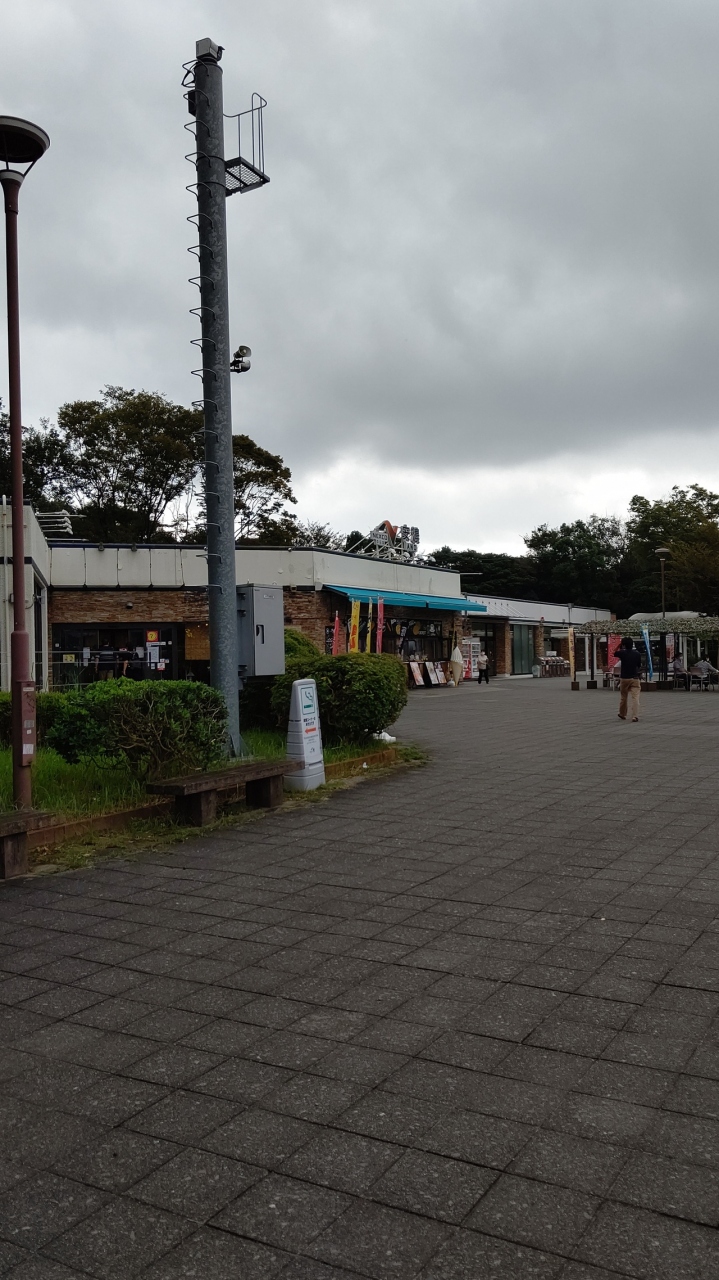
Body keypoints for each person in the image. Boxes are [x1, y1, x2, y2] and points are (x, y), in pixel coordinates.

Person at [617, 636, 642, 721]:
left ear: (623, 645)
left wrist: (619, 645)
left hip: (624, 678)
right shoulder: (637, 654)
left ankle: (622, 713)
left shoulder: (622, 653)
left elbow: (613, 652)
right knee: (635, 697)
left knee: (624, 697)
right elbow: (639, 665)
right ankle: (635, 716)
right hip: (635, 678)